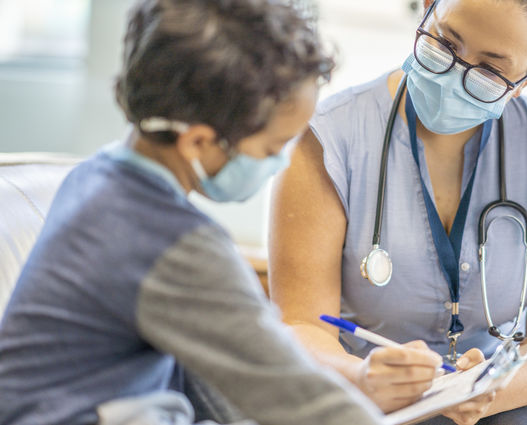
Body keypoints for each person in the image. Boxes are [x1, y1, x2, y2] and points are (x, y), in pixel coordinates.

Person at [268, 0, 527, 424]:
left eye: (490, 71)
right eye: (445, 43)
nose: (453, 75)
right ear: (427, 8)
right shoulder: (330, 138)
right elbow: (302, 324)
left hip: (503, 365)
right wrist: (363, 376)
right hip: (372, 381)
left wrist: (488, 392)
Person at [0, 1, 385, 424]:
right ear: (198, 142)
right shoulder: (174, 246)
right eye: (273, 148)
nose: (280, 163)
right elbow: (296, 394)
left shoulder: (93, 178)